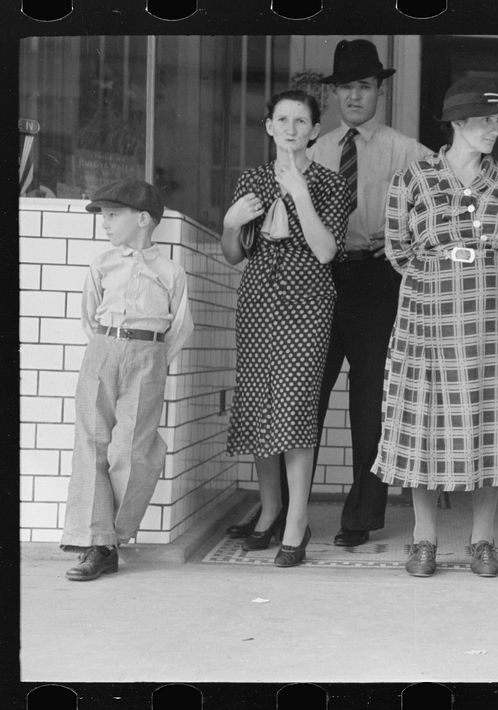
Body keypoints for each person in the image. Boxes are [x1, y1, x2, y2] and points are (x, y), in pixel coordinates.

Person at [372, 77, 498, 578]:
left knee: (491, 418)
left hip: (493, 321)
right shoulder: (412, 181)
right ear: (458, 124)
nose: (494, 128)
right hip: (428, 315)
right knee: (424, 418)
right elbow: (398, 251)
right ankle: (424, 541)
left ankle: (482, 541)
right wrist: (443, 273)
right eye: (486, 120)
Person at [307, 39, 430, 547]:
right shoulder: (313, 152)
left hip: (379, 282)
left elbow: (442, 204)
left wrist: (404, 240)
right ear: (333, 94)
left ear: (379, 90)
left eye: (364, 85)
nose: (354, 96)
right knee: (305, 396)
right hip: (319, 282)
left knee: (369, 402)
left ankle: (359, 517)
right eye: (345, 87)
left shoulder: (407, 151)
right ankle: (291, 512)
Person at [221, 89, 350, 567]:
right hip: (257, 303)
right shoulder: (251, 180)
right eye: (283, 119)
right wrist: (230, 224)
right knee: (259, 404)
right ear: (269, 127)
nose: (292, 127)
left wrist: (298, 193)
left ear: (315, 130)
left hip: (307, 306)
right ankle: (270, 508)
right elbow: (234, 254)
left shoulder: (332, 185)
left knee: (294, 410)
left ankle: (297, 519)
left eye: (302, 120)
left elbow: (325, 251)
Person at [60, 179, 194, 580]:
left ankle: (109, 537)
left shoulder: (170, 271)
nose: (105, 222)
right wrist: (108, 348)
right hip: (103, 348)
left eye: (112, 214)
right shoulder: (102, 263)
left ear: (143, 219)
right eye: (103, 214)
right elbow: (88, 316)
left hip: (149, 355)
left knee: (132, 448)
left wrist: (153, 358)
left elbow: (181, 327)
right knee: (92, 442)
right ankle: (97, 545)